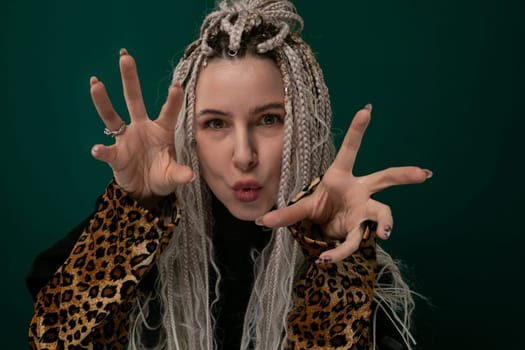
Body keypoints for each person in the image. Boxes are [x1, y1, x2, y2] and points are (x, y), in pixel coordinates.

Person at [27, 0, 432, 349]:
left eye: (270, 119)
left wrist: (331, 258)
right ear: (190, 135)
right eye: (216, 124)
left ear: (305, 127)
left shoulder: (349, 260)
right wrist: (134, 211)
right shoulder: (140, 251)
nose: (244, 156)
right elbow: (55, 339)